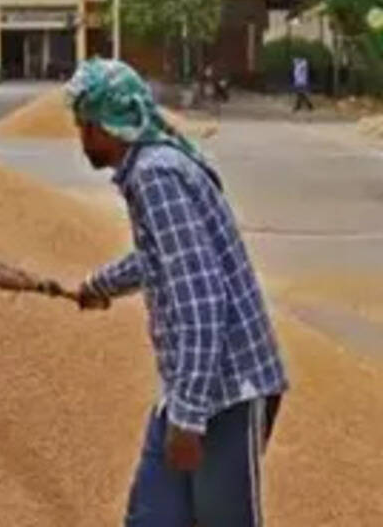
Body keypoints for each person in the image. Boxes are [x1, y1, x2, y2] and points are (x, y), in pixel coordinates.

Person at [66, 59, 287, 527]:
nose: (82, 137)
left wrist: (188, 420)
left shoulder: (155, 176)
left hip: (226, 389)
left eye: (86, 124)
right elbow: (160, 259)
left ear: (110, 125)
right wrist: (99, 285)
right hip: (190, 385)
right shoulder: (151, 166)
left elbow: (202, 300)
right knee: (151, 518)